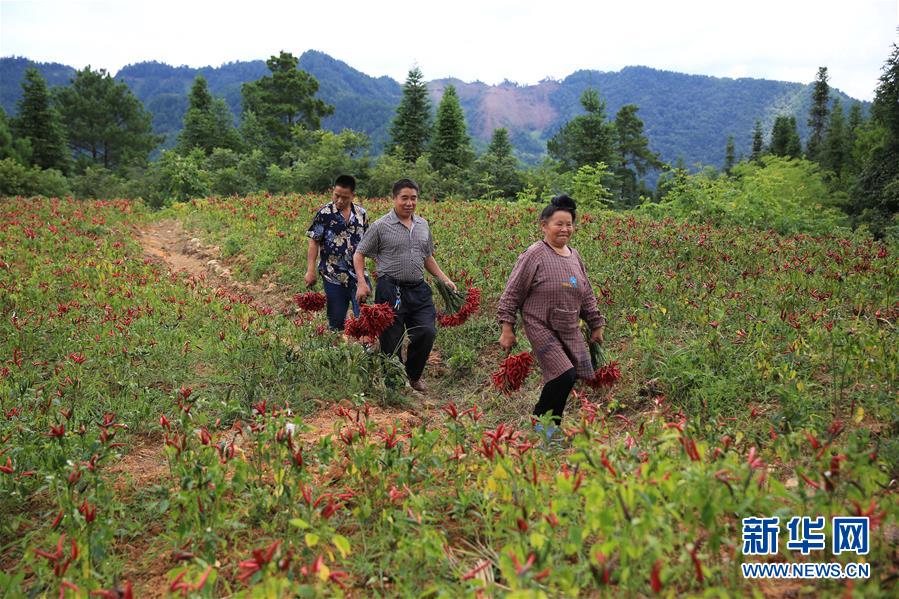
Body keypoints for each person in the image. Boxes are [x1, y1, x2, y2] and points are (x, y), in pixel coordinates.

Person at [497, 195, 606, 436]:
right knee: (563, 374)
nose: (565, 229)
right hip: (541, 326)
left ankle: (551, 428)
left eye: (569, 224)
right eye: (559, 223)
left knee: (568, 377)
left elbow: (586, 293)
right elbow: (512, 292)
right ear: (544, 225)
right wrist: (507, 328)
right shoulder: (535, 254)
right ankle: (540, 422)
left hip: (569, 327)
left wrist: (596, 323)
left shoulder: (574, 255)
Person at [353, 178, 456, 393]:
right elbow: (359, 253)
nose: (409, 203)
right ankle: (394, 385)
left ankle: (413, 375)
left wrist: (444, 279)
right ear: (394, 199)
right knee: (391, 339)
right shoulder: (381, 226)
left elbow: (427, 257)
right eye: (404, 198)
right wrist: (362, 282)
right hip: (390, 289)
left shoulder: (422, 225)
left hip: (418, 289)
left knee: (426, 332)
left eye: (413, 198)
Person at [305, 174, 369, 331]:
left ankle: (365, 350)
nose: (340, 201)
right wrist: (310, 270)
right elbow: (314, 241)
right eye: (336, 195)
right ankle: (335, 352)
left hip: (358, 275)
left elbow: (368, 242)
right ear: (333, 191)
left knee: (364, 317)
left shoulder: (361, 214)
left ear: (353, 196)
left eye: (345, 197)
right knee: (336, 320)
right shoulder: (324, 214)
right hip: (333, 275)